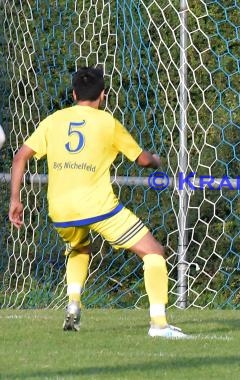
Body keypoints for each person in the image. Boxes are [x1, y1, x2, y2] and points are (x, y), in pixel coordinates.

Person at [8, 66, 187, 338]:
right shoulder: (108, 123)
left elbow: (20, 156)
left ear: (73, 94)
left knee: (79, 247)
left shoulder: (54, 120)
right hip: (98, 207)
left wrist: (15, 200)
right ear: (103, 95)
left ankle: (73, 303)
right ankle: (159, 325)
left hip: (60, 209)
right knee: (153, 252)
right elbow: (142, 160)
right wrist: (157, 160)